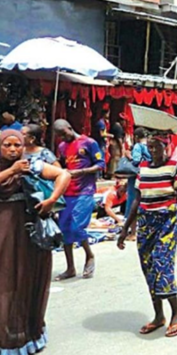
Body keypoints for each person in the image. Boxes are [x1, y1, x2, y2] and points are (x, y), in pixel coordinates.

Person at [0, 130, 70, 355]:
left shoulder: (33, 164)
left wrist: (51, 200)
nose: (12, 149)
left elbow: (64, 175)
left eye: (17, 145)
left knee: (23, 279)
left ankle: (22, 335)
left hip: (27, 232)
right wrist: (12, 171)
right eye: (7, 145)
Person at [117, 132, 177, 338]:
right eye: (150, 148)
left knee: (162, 264)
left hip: (167, 222)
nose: (153, 152)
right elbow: (136, 200)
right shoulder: (143, 169)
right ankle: (159, 316)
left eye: (157, 147)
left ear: (166, 147)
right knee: (148, 268)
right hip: (145, 223)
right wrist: (124, 230)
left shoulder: (174, 167)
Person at [53, 119, 104, 281]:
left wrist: (81, 171)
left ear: (70, 127)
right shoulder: (61, 147)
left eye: (63, 133)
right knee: (64, 229)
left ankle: (89, 255)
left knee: (77, 226)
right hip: (67, 192)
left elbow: (101, 164)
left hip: (85, 191)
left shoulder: (89, 143)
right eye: (59, 136)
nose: (62, 137)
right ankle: (70, 267)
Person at [125, 127, 151, 241]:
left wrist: (128, 155)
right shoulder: (150, 146)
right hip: (148, 176)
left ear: (135, 137)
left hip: (136, 178)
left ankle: (133, 233)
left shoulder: (137, 146)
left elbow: (136, 160)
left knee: (133, 204)